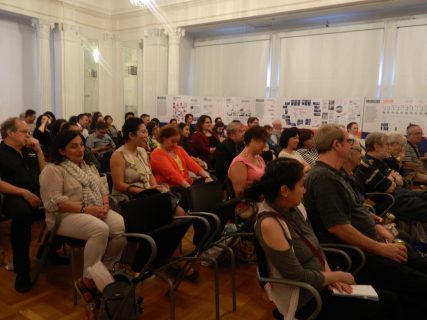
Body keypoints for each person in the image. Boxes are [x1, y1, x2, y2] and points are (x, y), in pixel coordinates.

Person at [253, 158, 402, 320]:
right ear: (284, 190)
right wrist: (336, 276)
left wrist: (330, 278)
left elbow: (315, 247)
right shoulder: (270, 223)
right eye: (302, 185)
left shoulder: (293, 208)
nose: (304, 191)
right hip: (305, 297)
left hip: (320, 283)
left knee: (387, 298)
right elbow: (296, 275)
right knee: (387, 303)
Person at [303, 124, 427, 319]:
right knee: (419, 284)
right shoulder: (323, 178)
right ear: (337, 145)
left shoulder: (336, 173)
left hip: (369, 246)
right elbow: (338, 228)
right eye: (349, 141)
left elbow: (355, 209)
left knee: (417, 262)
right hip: (357, 256)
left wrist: (377, 226)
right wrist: (381, 248)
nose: (353, 145)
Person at [39, 130, 126, 303]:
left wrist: (105, 205)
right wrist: (88, 209)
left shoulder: (87, 166)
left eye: (81, 145)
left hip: (92, 210)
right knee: (100, 229)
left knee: (120, 226)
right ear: (62, 151)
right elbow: (55, 202)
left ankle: (106, 270)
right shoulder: (53, 169)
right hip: (63, 216)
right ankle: (88, 281)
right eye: (73, 146)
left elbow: (103, 188)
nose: (80, 150)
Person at [0, 117, 48, 292]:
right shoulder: (1, 152)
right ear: (10, 133)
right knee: (22, 216)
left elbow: (45, 175)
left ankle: (49, 250)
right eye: (24, 131)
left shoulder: (30, 151)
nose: (28, 135)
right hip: (13, 195)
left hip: (38, 191)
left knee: (63, 205)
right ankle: (22, 270)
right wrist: (24, 193)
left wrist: (40, 151)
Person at [110, 118, 185, 215]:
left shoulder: (142, 151)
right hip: (129, 198)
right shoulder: (118, 155)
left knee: (179, 210)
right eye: (143, 132)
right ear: (131, 135)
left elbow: (150, 175)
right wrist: (144, 191)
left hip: (147, 195)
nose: (146, 135)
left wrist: (154, 188)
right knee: (173, 212)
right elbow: (118, 185)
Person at [355, 132, 427, 223]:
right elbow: (390, 187)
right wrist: (394, 180)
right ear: (377, 146)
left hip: (400, 194)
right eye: (387, 144)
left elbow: (399, 180)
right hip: (390, 201)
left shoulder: (380, 162)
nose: (389, 148)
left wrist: (393, 180)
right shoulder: (368, 165)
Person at [151, 125, 212, 190]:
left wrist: (207, 177)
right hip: (172, 187)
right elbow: (172, 174)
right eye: (173, 141)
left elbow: (192, 164)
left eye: (177, 141)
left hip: (186, 183)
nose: (175, 144)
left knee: (212, 180)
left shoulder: (179, 149)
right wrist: (190, 189)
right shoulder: (157, 154)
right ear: (164, 138)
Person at [228, 126, 267, 197]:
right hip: (250, 203)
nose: (265, 146)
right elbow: (240, 194)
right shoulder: (239, 163)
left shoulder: (259, 158)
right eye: (263, 141)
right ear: (252, 140)